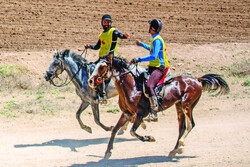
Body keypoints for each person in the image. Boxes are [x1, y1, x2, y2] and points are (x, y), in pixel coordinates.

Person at [85, 14, 129, 104]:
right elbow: (97, 46)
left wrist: (123, 36)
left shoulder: (113, 31)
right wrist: (89, 46)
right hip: (101, 58)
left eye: (108, 22)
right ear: (102, 23)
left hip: (109, 59)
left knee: (99, 72)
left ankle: (102, 95)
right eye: (105, 22)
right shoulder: (101, 35)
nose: (106, 24)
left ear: (111, 23)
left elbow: (119, 34)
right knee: (90, 67)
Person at [130, 19, 169, 120]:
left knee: (150, 85)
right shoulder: (155, 39)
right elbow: (152, 49)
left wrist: (138, 59)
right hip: (153, 67)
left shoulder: (157, 40)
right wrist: (142, 44)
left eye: (150, 26)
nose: (148, 27)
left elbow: (153, 56)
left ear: (153, 28)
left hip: (159, 68)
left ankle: (154, 112)